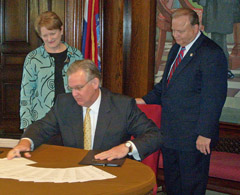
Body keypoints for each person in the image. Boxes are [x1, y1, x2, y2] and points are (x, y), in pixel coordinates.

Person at [136, 8, 228, 194]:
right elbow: (166, 86)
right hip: (171, 134)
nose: (175, 35)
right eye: (173, 30)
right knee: (173, 186)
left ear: (196, 28)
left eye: (181, 31)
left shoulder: (211, 53)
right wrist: (143, 101)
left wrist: (205, 133)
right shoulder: (177, 48)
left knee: (190, 187)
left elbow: (214, 97)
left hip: (194, 137)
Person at [8, 59, 162, 161]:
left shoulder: (122, 106)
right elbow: (41, 126)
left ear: (95, 83)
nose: (74, 94)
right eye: (71, 88)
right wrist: (25, 142)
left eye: (79, 88)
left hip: (110, 174)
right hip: (73, 173)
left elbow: (155, 135)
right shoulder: (64, 103)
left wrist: (126, 147)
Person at [20, 11, 83, 130]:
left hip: (71, 118)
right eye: (45, 35)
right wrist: (27, 125)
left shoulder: (76, 55)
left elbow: (83, 87)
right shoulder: (33, 58)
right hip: (42, 120)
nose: (49, 39)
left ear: (61, 30)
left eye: (53, 33)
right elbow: (26, 93)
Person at [193, 0, 240, 79]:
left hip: (227, 6)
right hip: (216, 6)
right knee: (218, 36)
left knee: (218, 36)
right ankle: (221, 68)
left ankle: (221, 68)